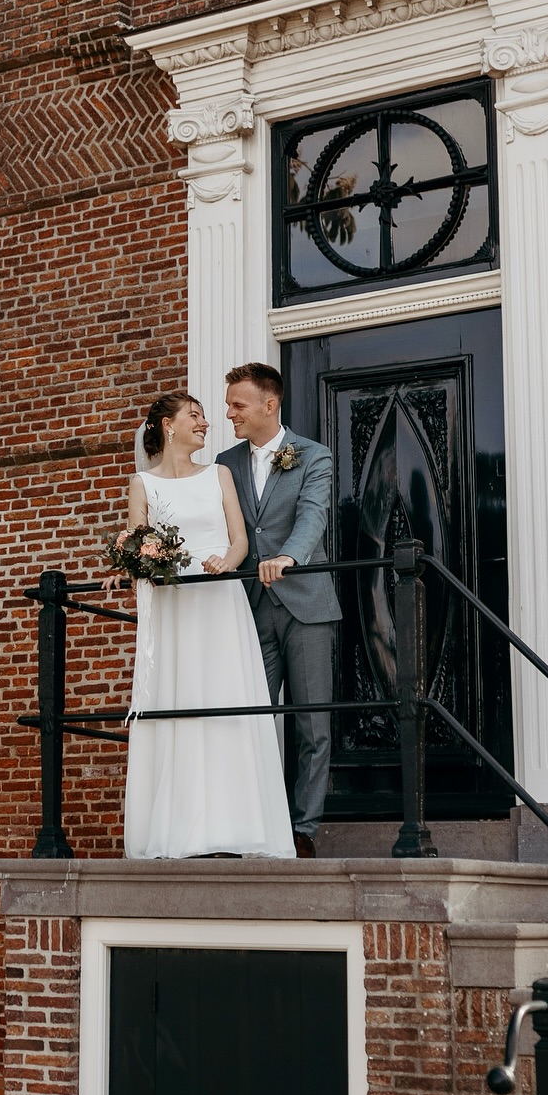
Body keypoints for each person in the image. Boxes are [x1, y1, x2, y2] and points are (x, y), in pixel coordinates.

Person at [122, 392, 294, 861]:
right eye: (193, 416)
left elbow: (240, 541)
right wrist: (143, 562)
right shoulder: (143, 483)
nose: (204, 423)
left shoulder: (219, 475)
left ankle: (238, 827)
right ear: (166, 426)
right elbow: (137, 543)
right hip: (175, 606)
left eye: (203, 416)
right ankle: (178, 831)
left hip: (218, 600)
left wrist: (226, 561)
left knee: (224, 699)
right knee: (180, 700)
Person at [217, 363, 338, 858]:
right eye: (227, 406)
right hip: (248, 607)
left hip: (305, 603)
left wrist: (291, 555)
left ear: (270, 404)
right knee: (249, 720)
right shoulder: (224, 461)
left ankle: (303, 828)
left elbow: (313, 513)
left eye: (237, 405)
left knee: (313, 723)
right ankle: (253, 823)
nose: (229, 414)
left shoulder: (314, 456)